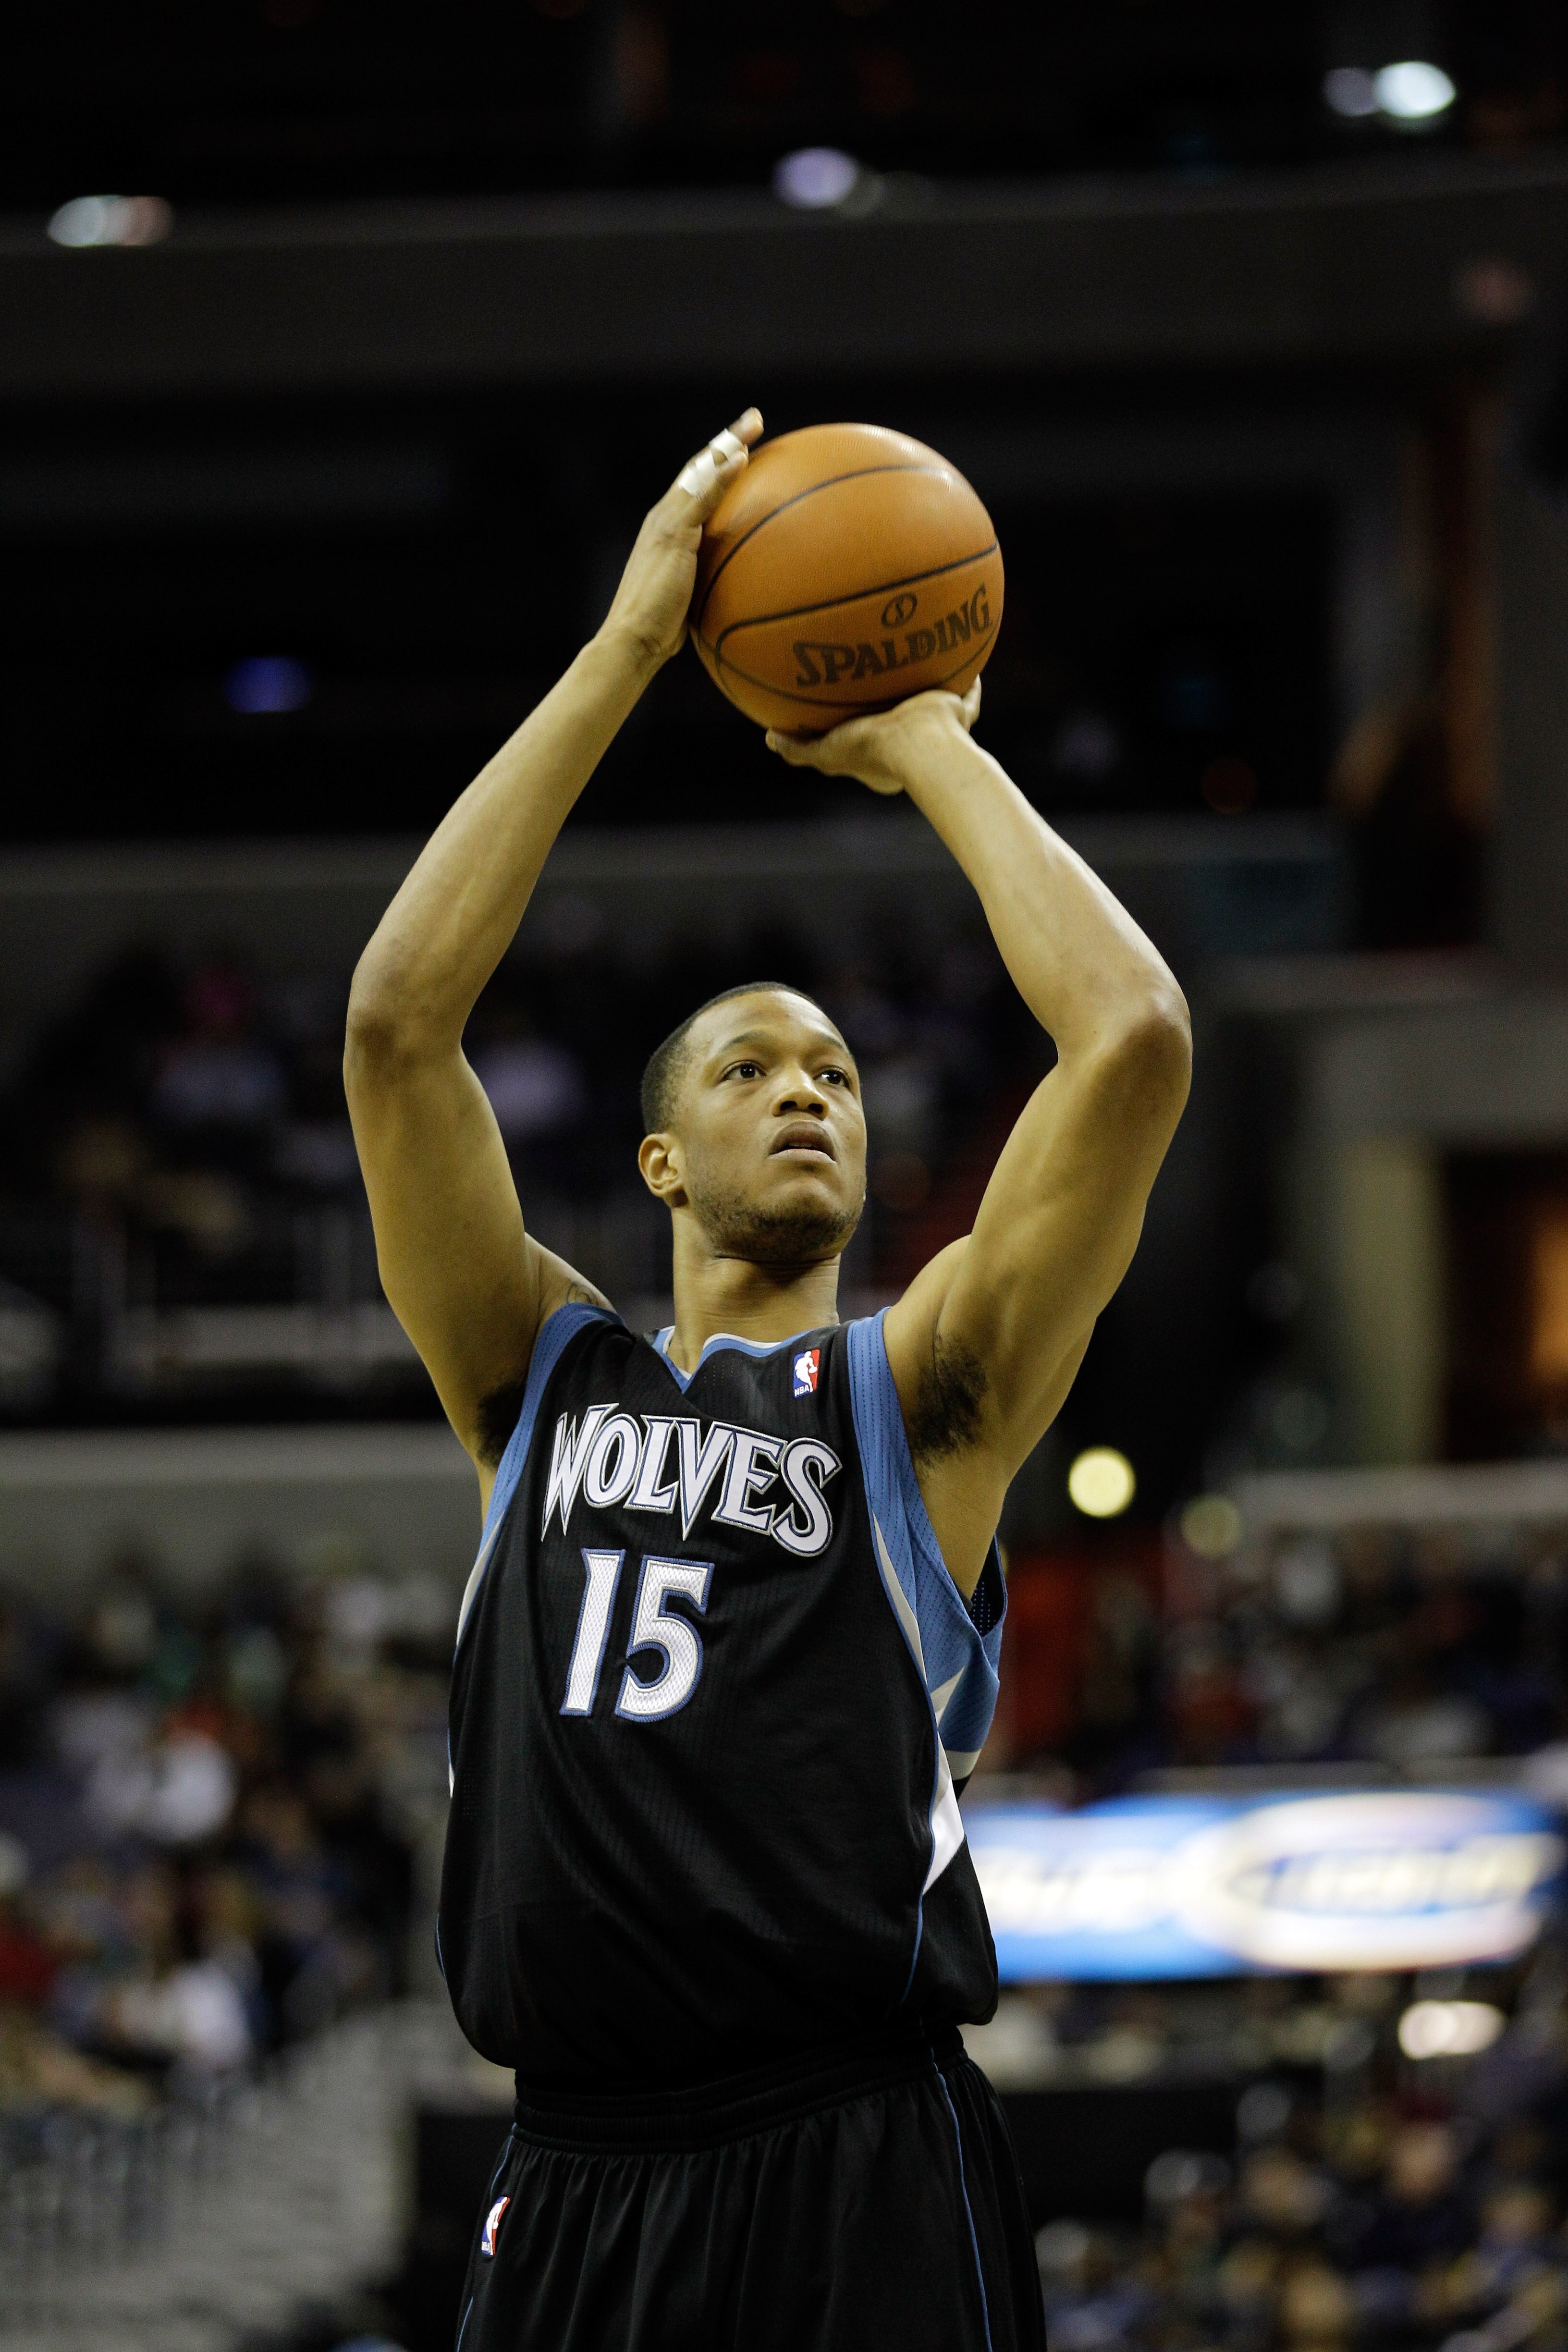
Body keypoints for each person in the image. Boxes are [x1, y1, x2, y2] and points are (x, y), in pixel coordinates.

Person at [344, 410, 1191, 2352]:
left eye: (834, 1070)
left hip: (856, 2156)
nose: (807, 1086)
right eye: (749, 1067)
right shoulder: (539, 1379)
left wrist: (925, 744)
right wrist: (635, 646)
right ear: (658, 1162)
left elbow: (1134, 1037)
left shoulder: (932, 1394)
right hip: (569, 2174)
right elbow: (398, 1024)